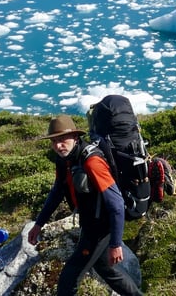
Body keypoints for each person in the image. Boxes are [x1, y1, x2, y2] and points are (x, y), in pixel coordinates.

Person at [27, 115, 143, 296]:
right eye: (54, 141)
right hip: (90, 221)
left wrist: (115, 243)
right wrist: (39, 224)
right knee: (106, 269)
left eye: (63, 140)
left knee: (68, 280)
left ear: (75, 137)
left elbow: (117, 204)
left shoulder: (92, 162)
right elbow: (57, 191)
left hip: (100, 227)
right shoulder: (64, 159)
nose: (58, 146)